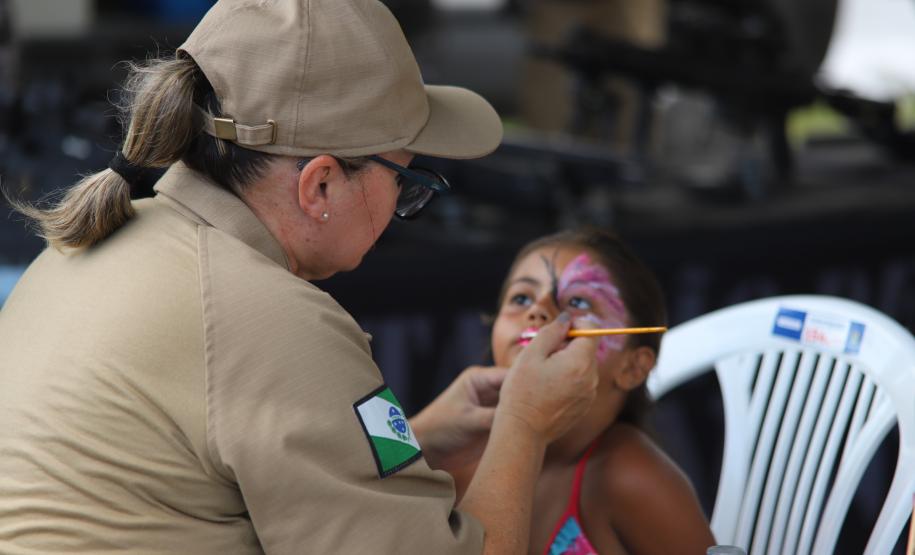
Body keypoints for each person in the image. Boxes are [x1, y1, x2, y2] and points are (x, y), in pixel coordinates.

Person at [0, 1, 603, 553]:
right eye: (405, 183)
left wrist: (421, 437)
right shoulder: (267, 317)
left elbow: (206, 472)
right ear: (319, 185)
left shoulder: (99, 242)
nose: (400, 207)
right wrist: (525, 427)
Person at [451, 228, 716, 554]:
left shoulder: (628, 476)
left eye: (577, 302)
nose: (538, 311)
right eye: (522, 298)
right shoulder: (459, 462)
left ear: (633, 367)